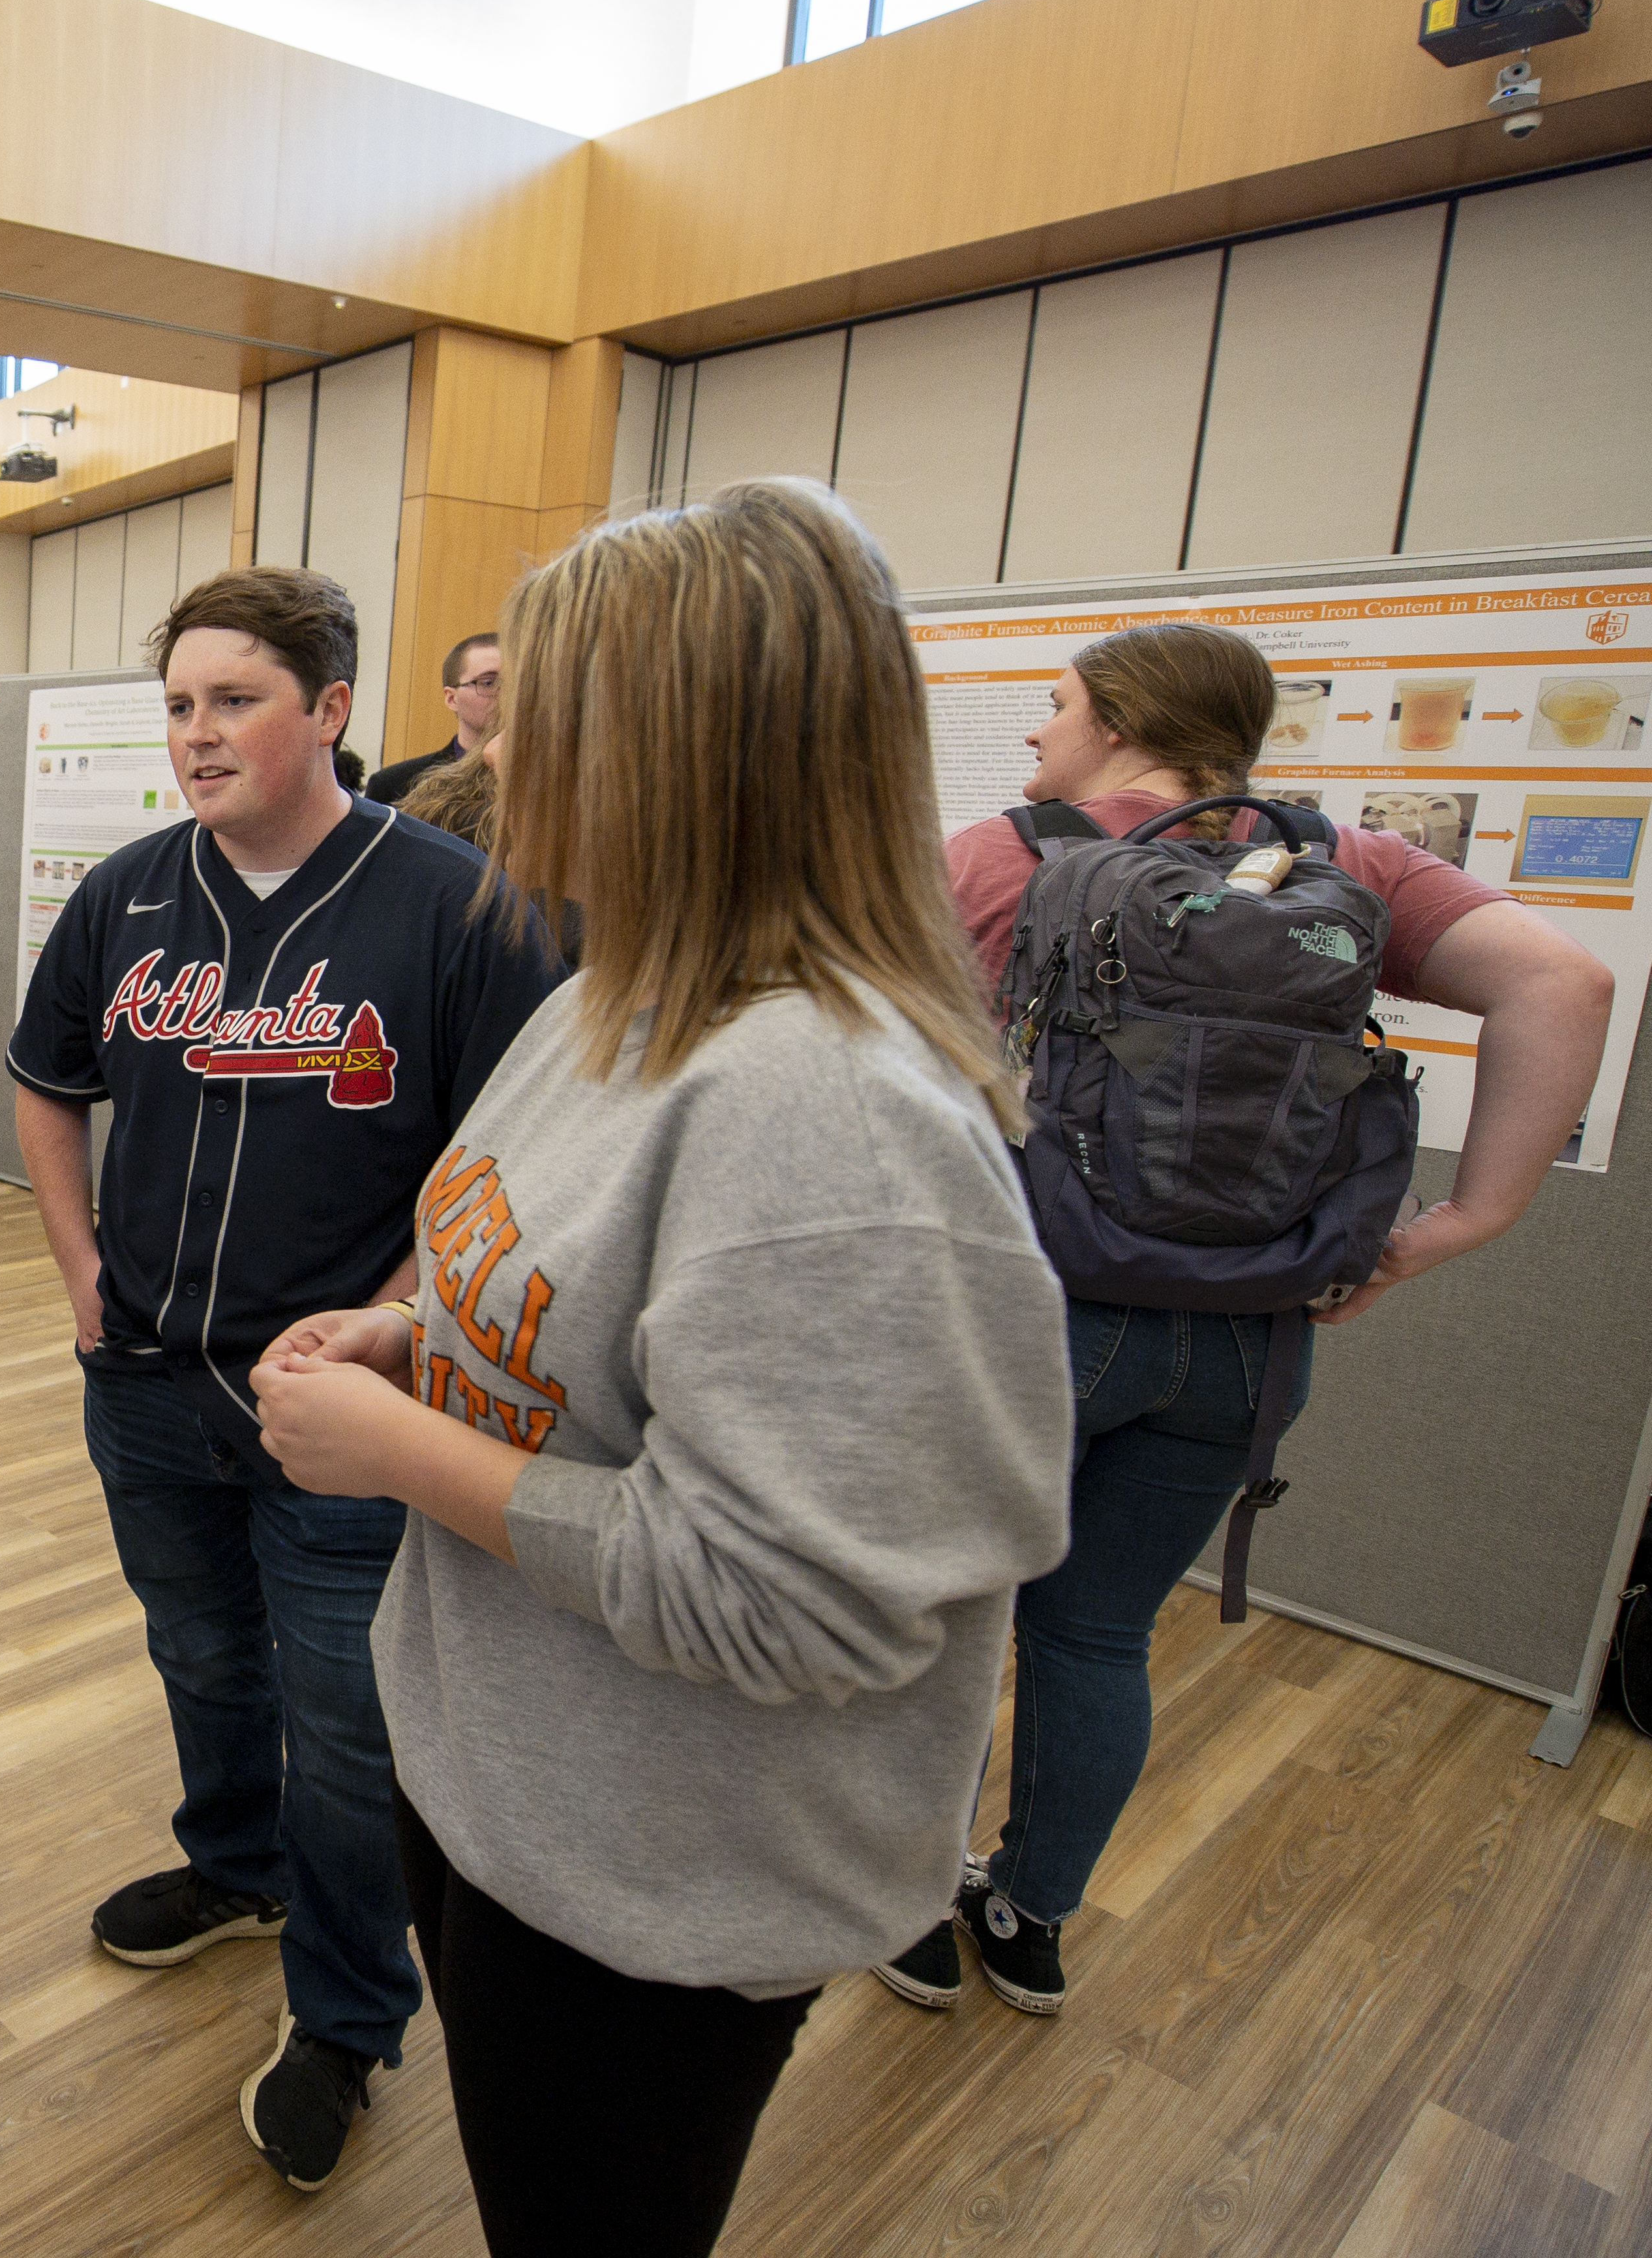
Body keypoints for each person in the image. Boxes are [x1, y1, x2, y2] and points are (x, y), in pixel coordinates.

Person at [249, 480, 1077, 2255]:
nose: (489, 748)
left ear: (668, 749)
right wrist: (431, 1335)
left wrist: (398, 1448)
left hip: (652, 1880)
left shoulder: (832, 1116)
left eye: (533, 715)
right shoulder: (607, 996)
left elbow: (788, 1600)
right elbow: (588, 1315)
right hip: (497, 1787)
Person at [873, 620, 1613, 2020]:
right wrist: (1467, 1221)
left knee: (956, 1621)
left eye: (1058, 707)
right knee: (1098, 1633)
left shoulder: (989, 859)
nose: (1041, 733)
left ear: (1116, 719)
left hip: (1031, 1312)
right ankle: (1029, 1921)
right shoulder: (1349, 864)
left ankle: (908, 1906)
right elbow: (1567, 983)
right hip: (1248, 1342)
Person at [4, 566, 566, 2194]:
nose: (196, 733)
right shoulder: (125, 896)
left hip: (347, 1416)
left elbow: (511, 1160)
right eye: (177, 704)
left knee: (347, 1725)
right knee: (197, 1652)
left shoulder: (457, 903)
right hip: (147, 1383)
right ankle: (229, 1866)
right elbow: (49, 1087)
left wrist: (387, 1318)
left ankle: (344, 2012)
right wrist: (74, 1264)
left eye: (232, 698)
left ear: (328, 710)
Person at [365, 630, 499, 804]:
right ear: (452, 699)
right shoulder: (395, 785)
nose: (506, 693)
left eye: (514, 682)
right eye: (488, 683)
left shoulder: (541, 779)